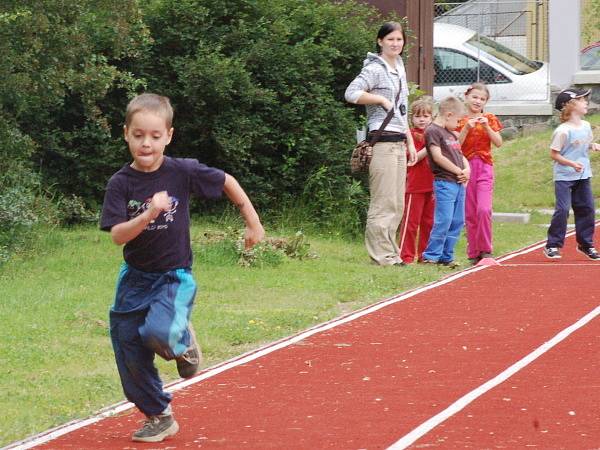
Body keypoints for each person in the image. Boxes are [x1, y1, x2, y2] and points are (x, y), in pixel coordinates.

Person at [100, 93, 265, 442]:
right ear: (126, 133)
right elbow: (117, 236)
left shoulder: (181, 171)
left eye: (155, 136)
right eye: (139, 135)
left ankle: (182, 339)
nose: (147, 143)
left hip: (174, 277)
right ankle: (159, 415)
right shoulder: (120, 183)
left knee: (158, 334)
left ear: (168, 136)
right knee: (128, 349)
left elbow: (226, 181)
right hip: (134, 279)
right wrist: (148, 214)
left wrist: (253, 222)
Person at [345, 21, 417, 266]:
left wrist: (410, 142)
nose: (395, 44)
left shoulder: (399, 66)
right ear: (380, 41)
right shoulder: (375, 68)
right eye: (390, 40)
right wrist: (379, 100)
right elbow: (351, 93)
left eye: (399, 40)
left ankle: (391, 253)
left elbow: (403, 110)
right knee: (383, 202)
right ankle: (381, 255)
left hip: (399, 142)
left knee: (396, 203)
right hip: (382, 142)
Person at [543, 87, 600, 260]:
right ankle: (552, 245)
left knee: (587, 208)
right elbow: (554, 154)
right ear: (570, 105)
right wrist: (570, 163)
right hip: (564, 176)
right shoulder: (562, 131)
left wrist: (593, 146)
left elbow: (583, 144)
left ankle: (585, 244)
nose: (586, 103)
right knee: (562, 209)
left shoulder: (585, 126)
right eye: (582, 100)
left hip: (583, 175)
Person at [456, 83, 503, 264]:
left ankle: (486, 249)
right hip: (465, 167)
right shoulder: (459, 119)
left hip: (484, 166)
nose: (478, 101)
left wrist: (487, 128)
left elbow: (498, 143)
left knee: (484, 209)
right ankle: (473, 252)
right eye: (475, 97)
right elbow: (455, 146)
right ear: (467, 96)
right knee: (470, 212)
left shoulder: (489, 118)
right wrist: (466, 128)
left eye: (482, 99)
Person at [421, 96, 470, 267]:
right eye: (458, 120)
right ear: (448, 114)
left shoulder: (450, 133)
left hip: (458, 183)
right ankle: (431, 255)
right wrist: (458, 171)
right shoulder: (433, 131)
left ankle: (446, 256)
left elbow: (460, 155)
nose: (458, 124)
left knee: (457, 220)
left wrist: (466, 170)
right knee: (444, 219)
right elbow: (437, 156)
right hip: (445, 182)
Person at [398, 96, 435, 263]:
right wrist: (430, 146)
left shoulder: (434, 134)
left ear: (432, 118)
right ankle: (405, 255)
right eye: (418, 116)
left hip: (433, 185)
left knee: (429, 222)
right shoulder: (410, 136)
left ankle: (424, 255)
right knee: (411, 223)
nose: (422, 120)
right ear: (411, 118)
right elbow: (412, 159)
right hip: (415, 185)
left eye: (426, 116)